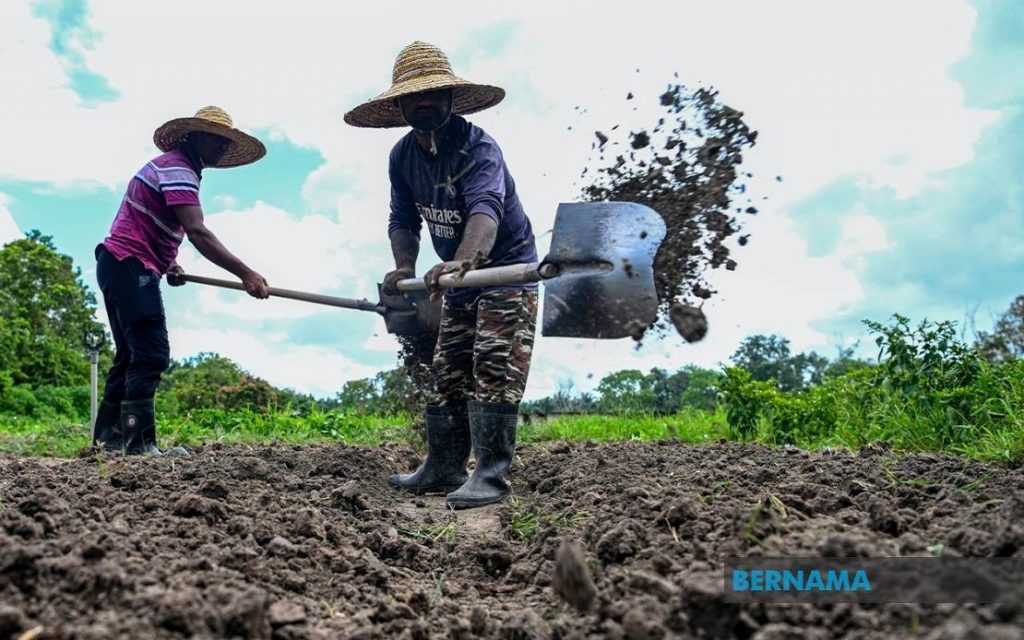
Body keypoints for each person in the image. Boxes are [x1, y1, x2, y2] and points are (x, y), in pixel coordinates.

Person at [345, 42, 539, 509]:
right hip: (456, 279)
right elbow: (402, 218)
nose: (425, 103)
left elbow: (486, 209)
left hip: (503, 272)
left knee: (493, 366)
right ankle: (444, 466)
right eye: (415, 97)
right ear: (400, 106)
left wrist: (465, 260)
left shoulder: (478, 148)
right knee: (448, 369)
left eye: (434, 94)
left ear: (452, 97)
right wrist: (404, 267)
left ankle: (490, 476)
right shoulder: (402, 156)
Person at [94, 106, 270, 456]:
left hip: (118, 264)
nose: (220, 147)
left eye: (225, 142)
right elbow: (197, 232)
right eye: (215, 139)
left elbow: (148, 221)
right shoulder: (179, 169)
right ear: (195, 136)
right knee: (151, 354)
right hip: (130, 264)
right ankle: (139, 445)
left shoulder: (173, 168)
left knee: (130, 355)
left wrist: (170, 262)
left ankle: (108, 441)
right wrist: (245, 273)